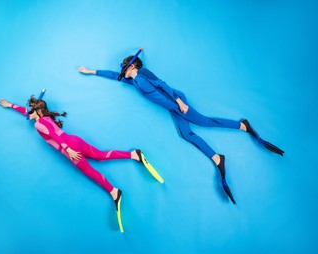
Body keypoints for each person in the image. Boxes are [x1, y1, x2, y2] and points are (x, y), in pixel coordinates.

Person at [79, 55, 284, 204]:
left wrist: (179, 102)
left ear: (133, 65)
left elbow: (163, 85)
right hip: (172, 107)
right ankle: (217, 158)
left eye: (126, 67)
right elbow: (113, 75)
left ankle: (243, 126)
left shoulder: (143, 73)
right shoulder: (133, 82)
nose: (123, 70)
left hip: (176, 102)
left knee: (204, 122)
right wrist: (91, 71)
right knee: (186, 134)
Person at [0, 95, 160, 232]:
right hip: (76, 140)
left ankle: (114, 192)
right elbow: (27, 113)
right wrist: (10, 105)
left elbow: (56, 136)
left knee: (89, 171)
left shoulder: (39, 123)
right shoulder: (45, 118)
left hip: (69, 148)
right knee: (101, 156)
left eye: (31, 110)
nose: (28, 113)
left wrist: (67, 150)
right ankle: (134, 155)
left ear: (38, 111)